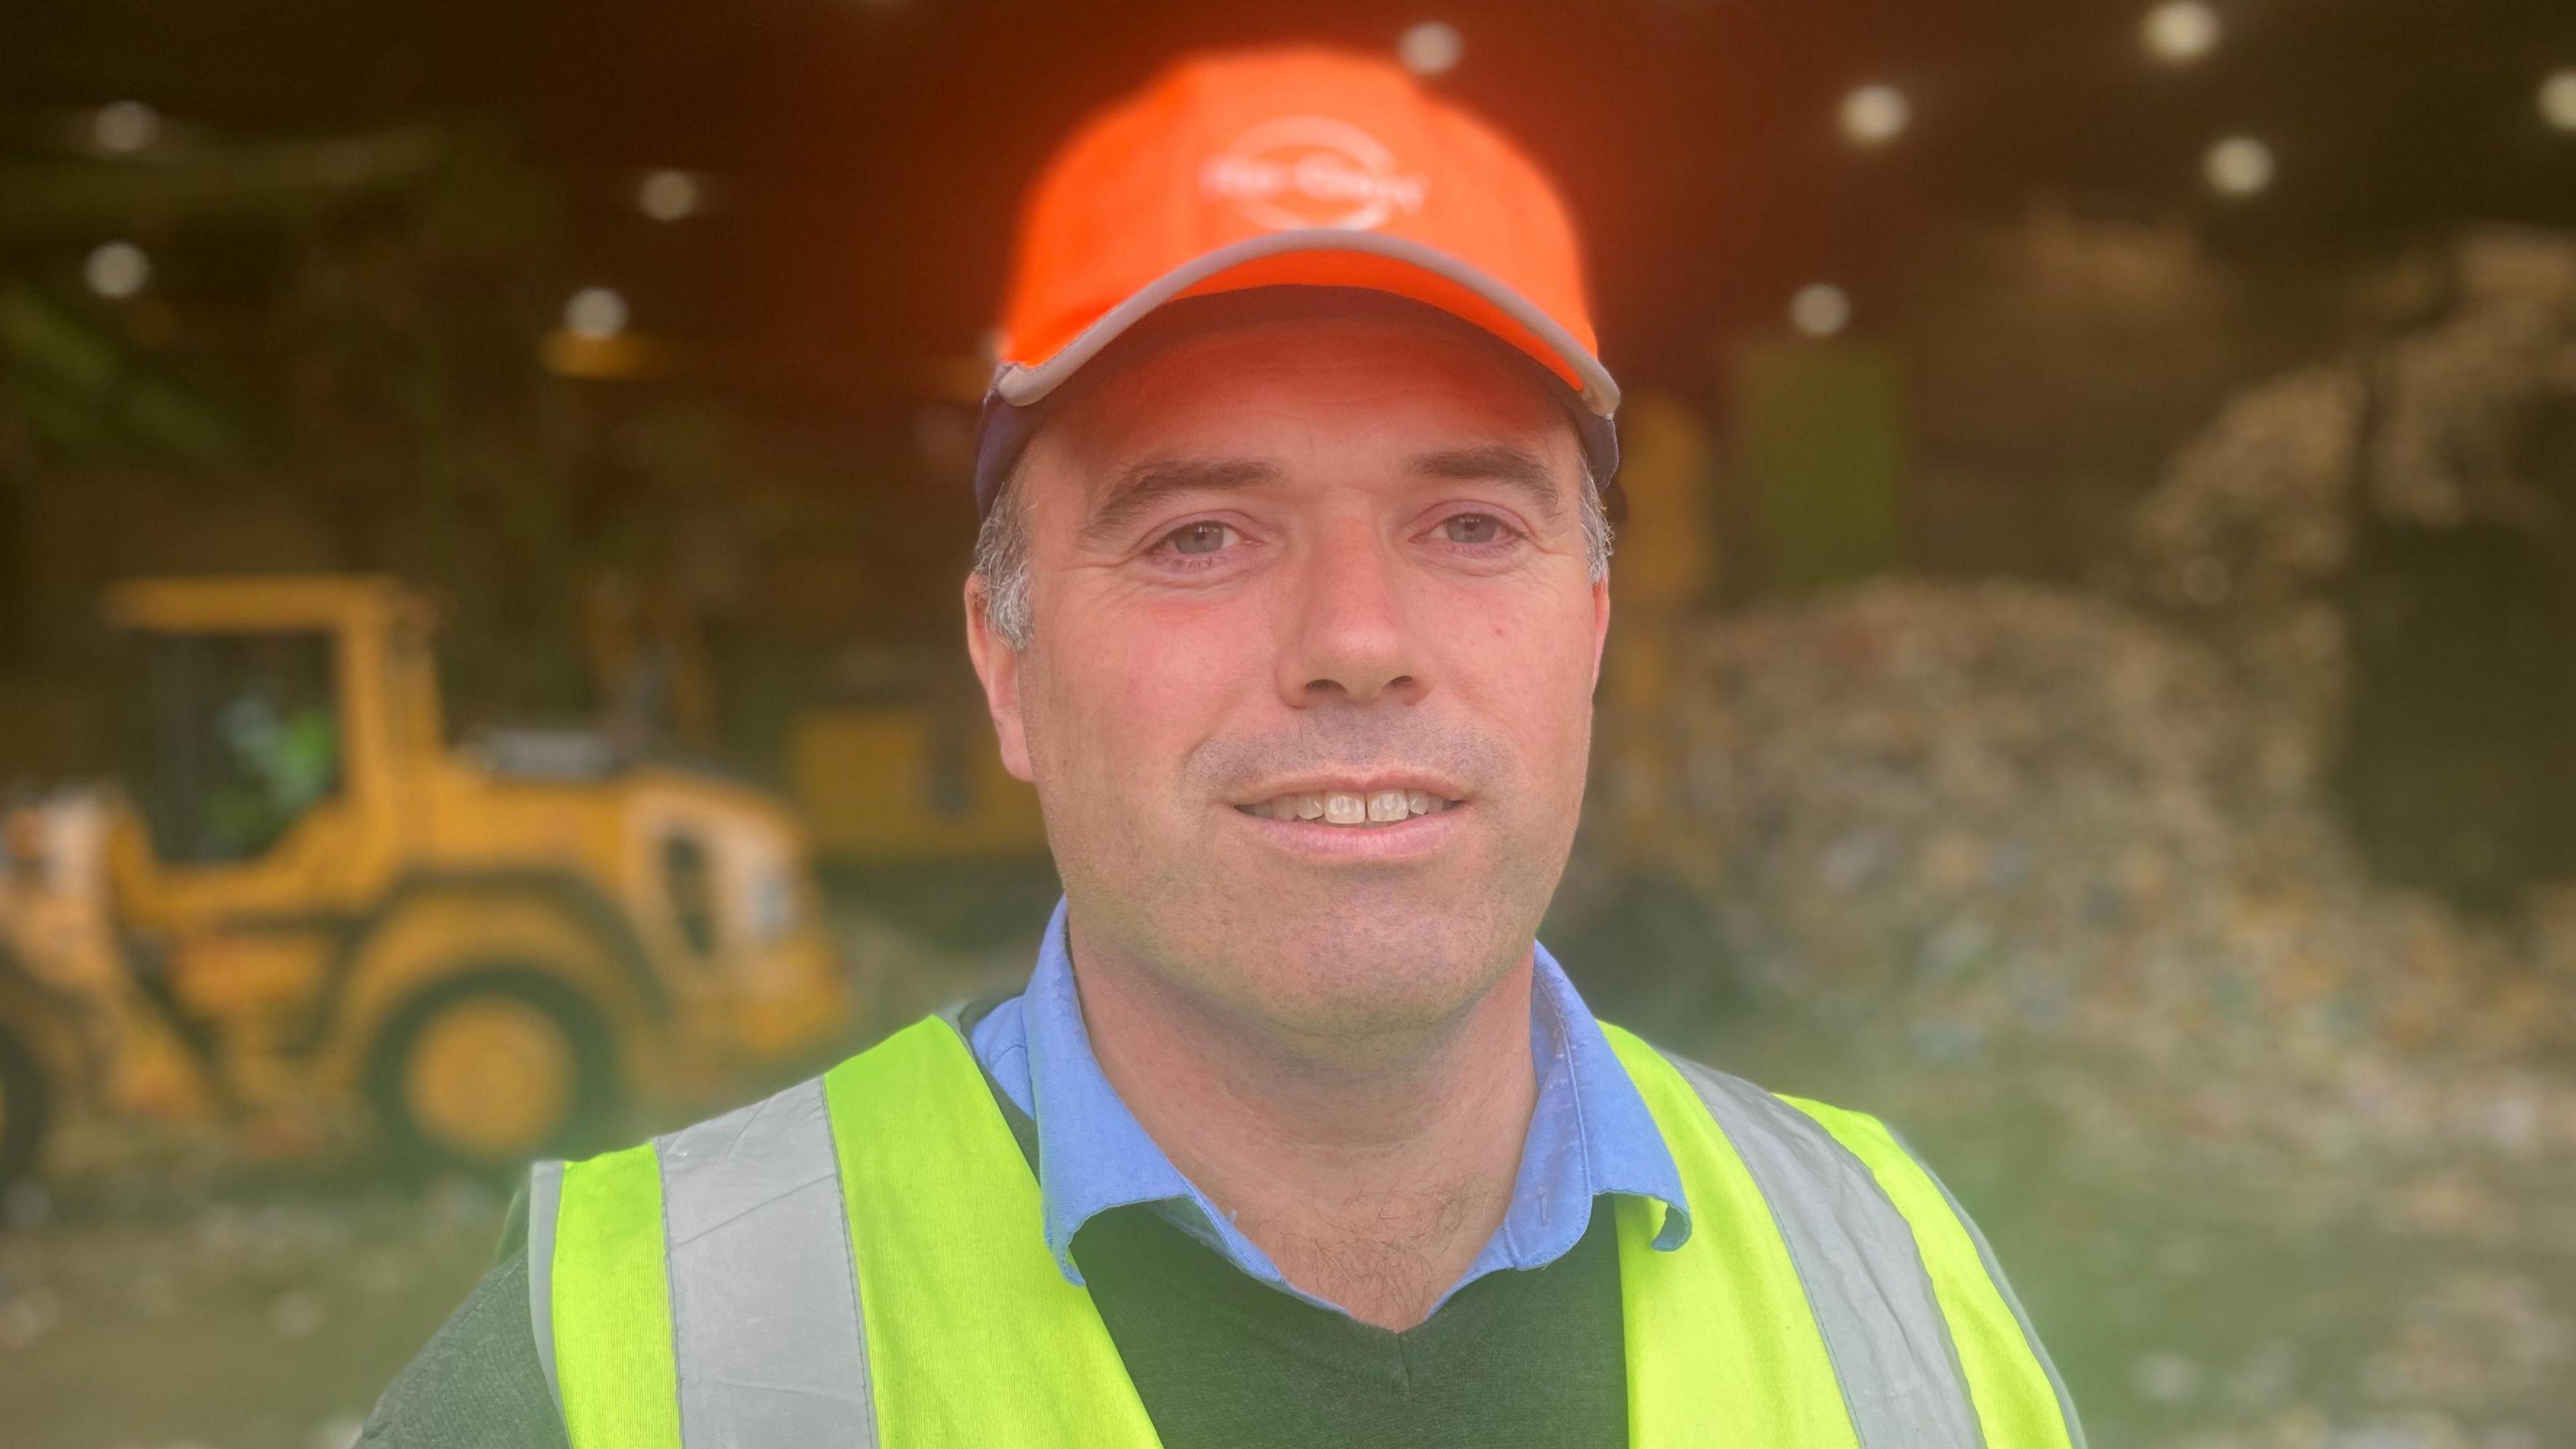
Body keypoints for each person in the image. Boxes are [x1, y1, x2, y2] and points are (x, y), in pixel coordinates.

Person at [363, 46, 2084, 1449]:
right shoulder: (627, 1366)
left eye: (1473, 524)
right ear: (1008, 666)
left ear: (1598, 633)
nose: (1355, 641)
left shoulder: (1898, 1274)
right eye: (1197, 535)